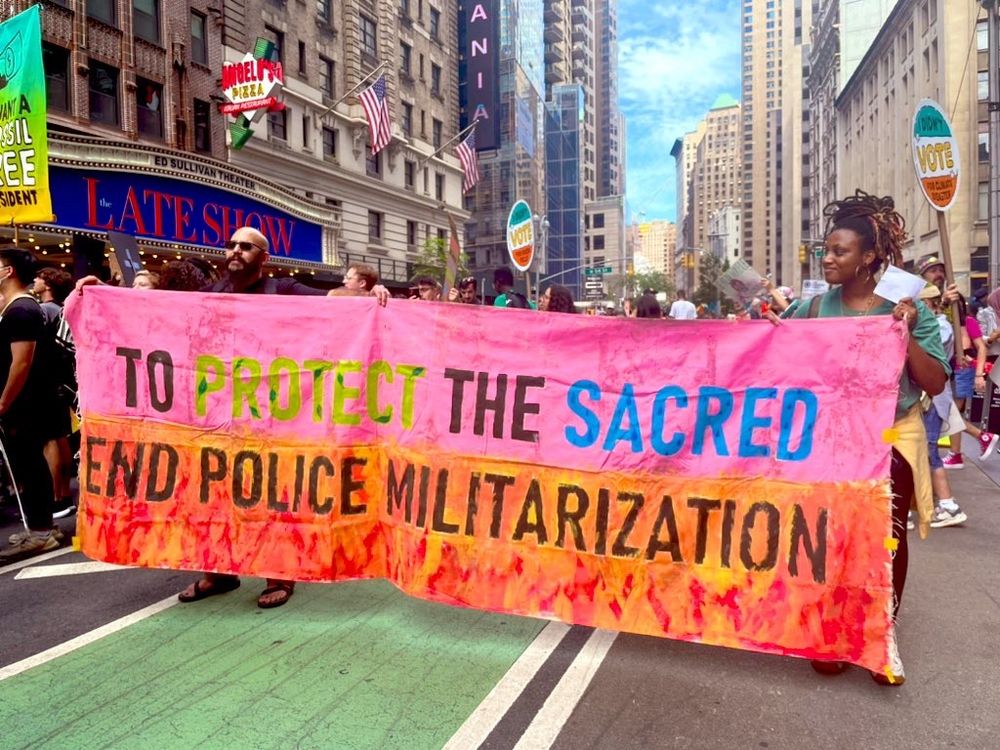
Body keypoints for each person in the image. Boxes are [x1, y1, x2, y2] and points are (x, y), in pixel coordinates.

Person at [77, 227, 389, 607]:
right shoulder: (212, 294)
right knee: (214, 496)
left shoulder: (284, 291)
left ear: (264, 257)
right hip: (217, 419)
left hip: (274, 417)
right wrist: (101, 294)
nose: (236, 251)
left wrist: (367, 295)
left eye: (247, 246)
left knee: (274, 495)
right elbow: (158, 314)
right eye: (232, 245)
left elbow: (334, 297)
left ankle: (280, 576)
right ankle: (218, 574)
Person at [789, 190, 949, 686]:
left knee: (885, 540)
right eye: (826, 250)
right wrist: (771, 335)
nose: (828, 258)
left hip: (889, 437)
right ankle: (832, 632)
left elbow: (936, 382)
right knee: (830, 537)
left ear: (870, 258)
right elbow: (771, 365)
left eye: (839, 251)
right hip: (831, 441)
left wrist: (905, 335)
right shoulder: (811, 309)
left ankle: (882, 637)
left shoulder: (905, 311)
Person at [0, 249, 61, 560]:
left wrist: (2, 402)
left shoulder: (21, 310)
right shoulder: (18, 307)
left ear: (8, 271)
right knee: (29, 464)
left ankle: (40, 532)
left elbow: (20, 363)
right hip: (26, 402)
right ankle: (41, 526)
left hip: (25, 404)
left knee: (30, 464)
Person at [917, 255, 998, 467]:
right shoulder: (918, 297)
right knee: (947, 410)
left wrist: (964, 356)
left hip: (943, 369)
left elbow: (955, 332)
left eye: (940, 270)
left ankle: (951, 455)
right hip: (932, 368)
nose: (939, 274)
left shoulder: (953, 302)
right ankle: (972, 442)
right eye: (933, 270)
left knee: (945, 410)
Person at [916, 283, 969, 529]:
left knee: (927, 452)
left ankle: (948, 505)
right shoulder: (934, 323)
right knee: (920, 452)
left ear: (930, 304)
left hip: (933, 398)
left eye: (920, 303)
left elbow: (929, 348)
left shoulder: (940, 326)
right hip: (926, 398)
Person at [31, 268, 76, 518]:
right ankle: (65, 494)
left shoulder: (45, 311)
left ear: (48, 284)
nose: (35, 281)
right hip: (63, 383)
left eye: (39, 278)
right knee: (60, 438)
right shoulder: (60, 309)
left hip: (50, 381)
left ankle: (57, 496)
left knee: (51, 440)